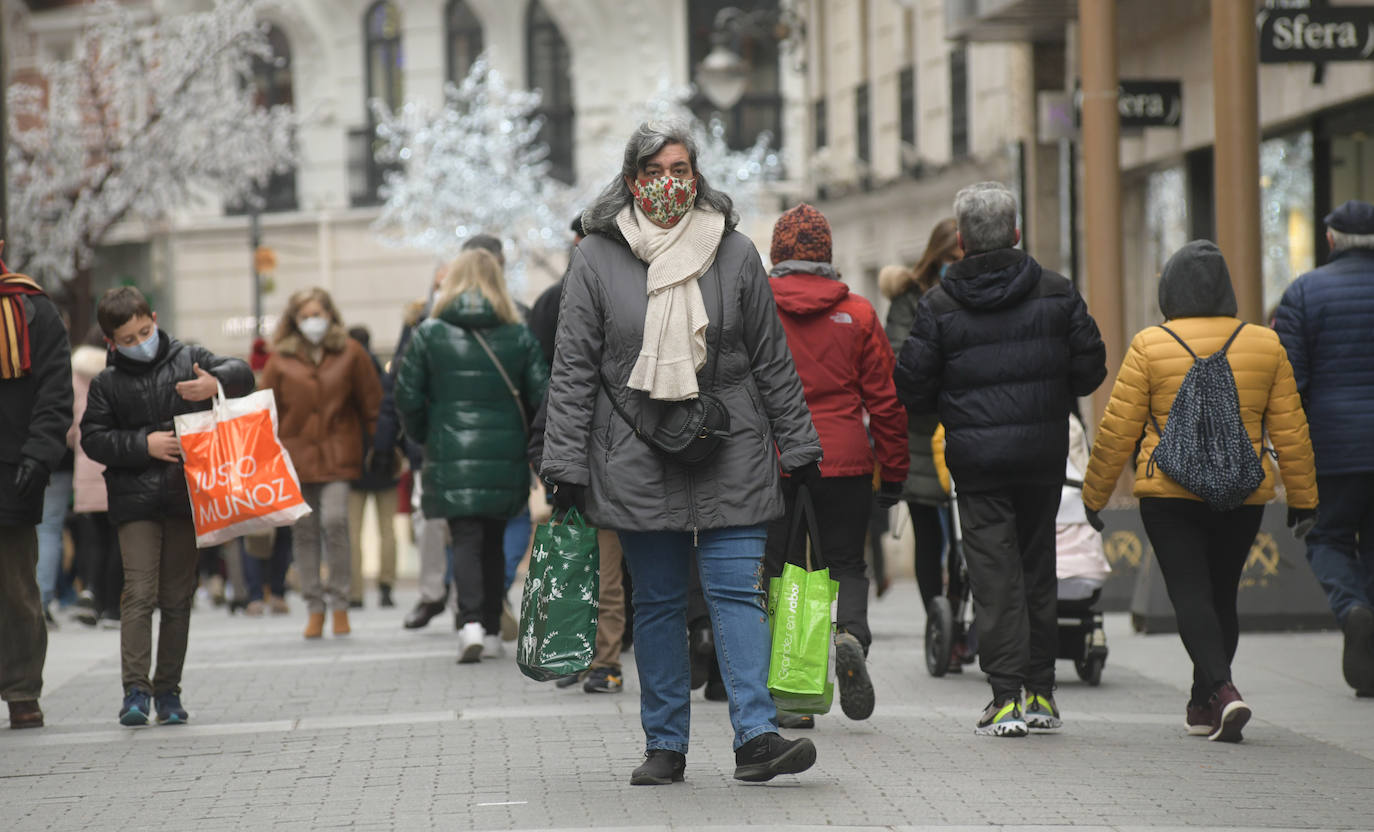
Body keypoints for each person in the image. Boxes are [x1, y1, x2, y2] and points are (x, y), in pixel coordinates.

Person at [541, 121, 823, 785]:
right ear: (632, 180)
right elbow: (573, 369)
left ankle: (756, 736)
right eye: (656, 170)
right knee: (660, 603)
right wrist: (563, 466)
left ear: (697, 175)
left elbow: (772, 361)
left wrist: (801, 445)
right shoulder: (597, 257)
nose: (671, 181)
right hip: (638, 452)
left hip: (732, 443)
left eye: (681, 168)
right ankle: (666, 743)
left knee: (735, 592)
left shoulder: (734, 251)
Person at [894, 182, 1107, 737]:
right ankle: (1041, 692)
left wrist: (952, 402)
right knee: (1039, 565)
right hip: (1042, 455)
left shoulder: (938, 306)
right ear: (1016, 233)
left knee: (992, 571)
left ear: (960, 242)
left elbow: (911, 388)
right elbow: (1089, 369)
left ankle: (1006, 696)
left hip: (977, 461)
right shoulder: (1057, 292)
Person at [1083, 240, 1317, 742]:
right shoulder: (1264, 344)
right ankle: (1203, 703)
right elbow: (1291, 430)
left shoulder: (1150, 344)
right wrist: (1303, 499)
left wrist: (1093, 496)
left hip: (1168, 492)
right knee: (1220, 593)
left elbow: (1117, 430)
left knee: (1189, 592)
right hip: (1242, 492)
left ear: (1169, 289)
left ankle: (1223, 690)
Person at [763, 203, 908, 724]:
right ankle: (848, 635)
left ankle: (795, 696)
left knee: (782, 574)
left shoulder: (758, 306)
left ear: (777, 253)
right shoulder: (860, 313)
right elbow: (886, 403)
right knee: (845, 564)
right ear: (828, 254)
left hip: (775, 461)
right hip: (843, 461)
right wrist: (892, 473)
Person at [82, 286, 253, 726]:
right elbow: (93, 438)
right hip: (134, 501)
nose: (141, 341)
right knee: (138, 593)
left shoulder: (188, 356)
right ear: (111, 342)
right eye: (129, 338)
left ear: (154, 318)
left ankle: (169, 692)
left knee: (178, 597)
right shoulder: (106, 383)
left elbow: (241, 373)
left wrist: (217, 382)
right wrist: (144, 444)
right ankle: (135, 690)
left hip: (185, 498)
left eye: (145, 330)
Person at [395, 249, 548, 663]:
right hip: (505, 452)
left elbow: (405, 395)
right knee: (495, 538)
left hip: (449, 450)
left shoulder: (430, 333)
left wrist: (426, 435)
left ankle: (470, 624)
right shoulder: (518, 335)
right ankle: (495, 630)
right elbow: (542, 396)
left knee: (464, 538)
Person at [1274, 200, 1374, 696]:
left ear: (1331, 240)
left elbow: (1291, 384)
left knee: (1328, 538)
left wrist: (1290, 455)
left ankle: (1353, 608)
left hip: (1333, 448)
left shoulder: (1304, 293)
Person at [262, 288, 382, 640]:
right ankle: (315, 606)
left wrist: (382, 446)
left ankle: (341, 602)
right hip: (294, 458)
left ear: (330, 314)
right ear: (294, 320)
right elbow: (266, 413)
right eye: (305, 315)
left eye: (318, 313)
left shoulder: (350, 353)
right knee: (303, 530)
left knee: (335, 520)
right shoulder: (279, 360)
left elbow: (371, 403)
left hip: (339, 453)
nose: (313, 321)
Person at [0, 254, 71, 729]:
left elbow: (55, 391)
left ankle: (23, 689)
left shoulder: (29, 306)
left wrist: (38, 454)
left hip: (12, 468)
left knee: (16, 588)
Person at [882, 219, 961, 621]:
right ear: (935, 257)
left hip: (965, 430)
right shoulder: (909, 300)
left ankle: (960, 615)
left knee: (967, 537)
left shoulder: (973, 294)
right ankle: (938, 623)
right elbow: (899, 365)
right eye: (950, 259)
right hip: (921, 434)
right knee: (930, 536)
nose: (956, 266)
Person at [69, 328, 124, 629]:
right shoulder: (117, 374)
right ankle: (113, 608)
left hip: (86, 466)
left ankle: (92, 594)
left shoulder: (75, 373)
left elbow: (67, 426)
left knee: (92, 541)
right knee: (117, 538)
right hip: (116, 464)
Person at [345, 325, 400, 610]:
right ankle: (386, 584)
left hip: (354, 461)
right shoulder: (382, 373)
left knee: (352, 530)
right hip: (385, 459)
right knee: (386, 529)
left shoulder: (346, 373)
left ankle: (355, 591)